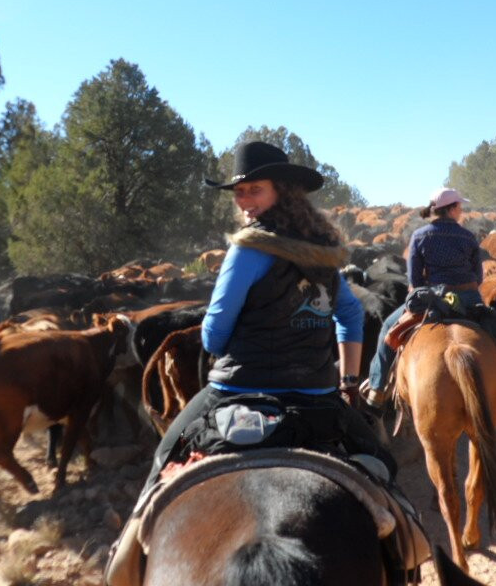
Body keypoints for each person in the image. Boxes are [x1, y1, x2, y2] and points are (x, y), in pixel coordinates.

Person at [106, 141, 395, 584]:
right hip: (317, 399)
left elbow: (213, 332)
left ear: (281, 191)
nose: (243, 201)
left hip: (238, 390)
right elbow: (351, 316)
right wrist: (349, 379)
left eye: (253, 190)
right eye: (238, 192)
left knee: (164, 457)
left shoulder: (248, 249)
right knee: (383, 470)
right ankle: (401, 560)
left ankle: (121, 564)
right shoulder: (320, 250)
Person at [361, 188, 496, 426]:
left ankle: (376, 392)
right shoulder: (468, 237)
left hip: (430, 300)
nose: (462, 211)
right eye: (460, 206)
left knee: (388, 329)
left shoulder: (419, 235)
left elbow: (415, 280)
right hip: (469, 301)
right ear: (451, 209)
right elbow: (478, 277)